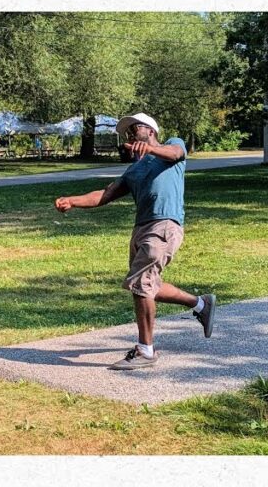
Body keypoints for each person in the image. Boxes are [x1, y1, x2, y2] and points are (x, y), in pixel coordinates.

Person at [53, 113, 215, 370]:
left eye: (134, 129)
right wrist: (73, 201)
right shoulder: (133, 170)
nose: (129, 135)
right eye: (126, 132)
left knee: (141, 283)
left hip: (164, 225)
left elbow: (175, 153)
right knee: (146, 285)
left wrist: (150, 149)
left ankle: (146, 351)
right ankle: (201, 304)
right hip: (141, 229)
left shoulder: (173, 145)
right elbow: (105, 194)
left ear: (150, 131)